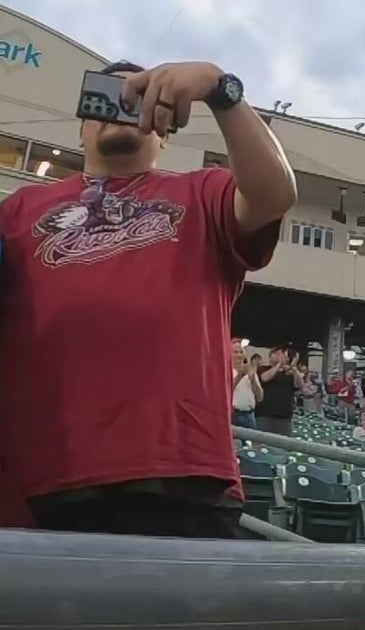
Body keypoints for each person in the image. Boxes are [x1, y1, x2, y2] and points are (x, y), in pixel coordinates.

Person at [0, 60, 295, 537]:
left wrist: (221, 91)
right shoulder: (18, 211)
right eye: (103, 99)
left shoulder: (203, 191)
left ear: (164, 132)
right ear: (80, 130)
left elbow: (274, 195)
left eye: (137, 99)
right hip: (43, 481)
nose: (118, 108)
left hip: (181, 474)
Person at [256, 346, 302, 436]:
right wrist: (278, 365)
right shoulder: (263, 369)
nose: (279, 356)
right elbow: (264, 378)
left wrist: (294, 368)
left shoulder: (290, 373)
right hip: (264, 415)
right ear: (270, 356)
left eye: (281, 354)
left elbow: (299, 384)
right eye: (276, 354)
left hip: (284, 418)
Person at [230, 339, 261, 430]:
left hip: (249, 416)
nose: (239, 355)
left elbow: (260, 397)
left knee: (249, 444)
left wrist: (253, 380)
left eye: (241, 352)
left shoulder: (251, 373)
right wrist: (240, 375)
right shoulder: (224, 372)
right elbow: (225, 393)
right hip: (232, 415)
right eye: (235, 352)